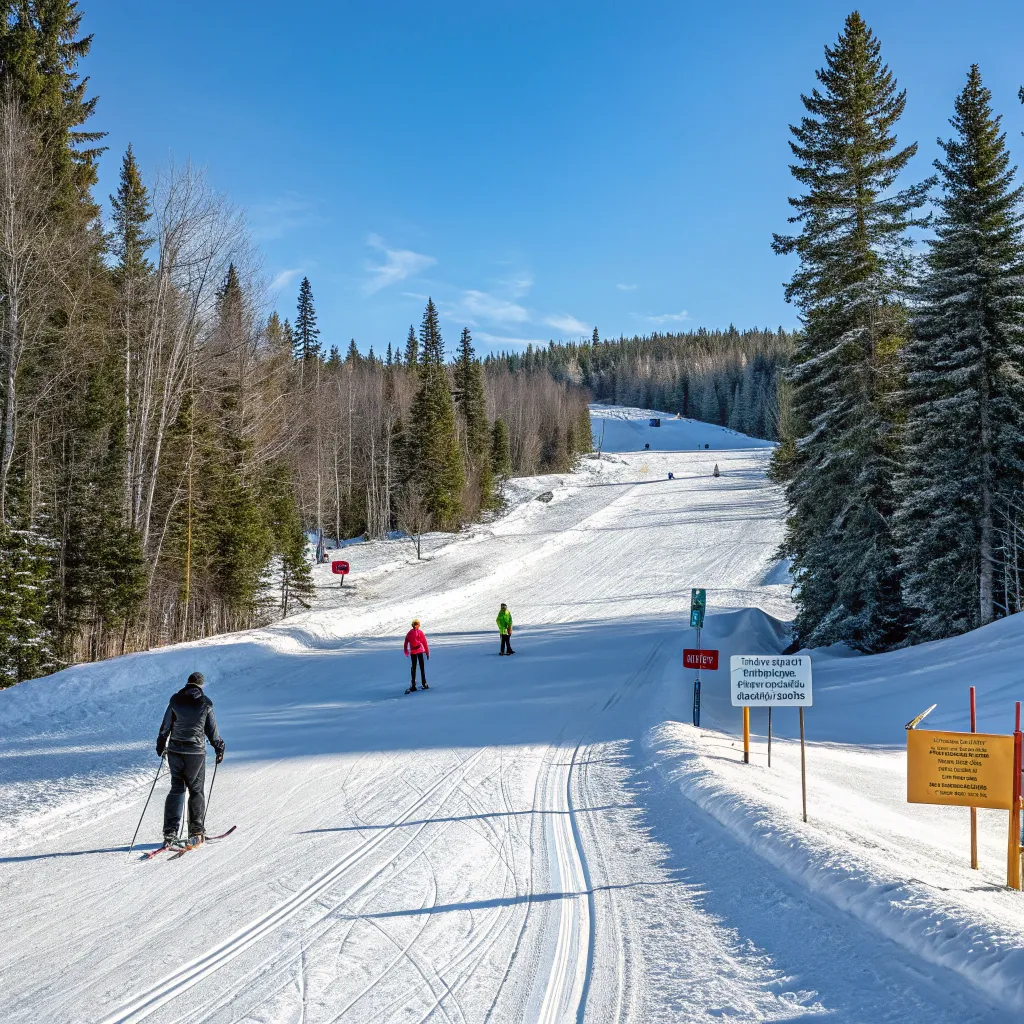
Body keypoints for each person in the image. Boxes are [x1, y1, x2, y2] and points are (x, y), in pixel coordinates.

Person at [156, 671, 225, 848]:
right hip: (195, 753)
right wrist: (219, 748)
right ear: (201, 686)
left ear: (187, 683)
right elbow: (212, 730)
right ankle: (196, 831)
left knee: (177, 788)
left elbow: (166, 726)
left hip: (175, 752)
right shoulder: (205, 703)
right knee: (196, 790)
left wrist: (161, 743)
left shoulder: (175, 700)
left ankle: (170, 833)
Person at [404, 619, 430, 691]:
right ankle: (413, 685)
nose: (415, 626)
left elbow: (424, 643)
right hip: (413, 652)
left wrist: (427, 652)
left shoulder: (420, 633)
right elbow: (406, 643)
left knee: (422, 667)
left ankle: (424, 683)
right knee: (414, 668)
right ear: (412, 625)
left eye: (417, 624)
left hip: (420, 651)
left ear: (418, 625)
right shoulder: (410, 633)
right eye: (414, 624)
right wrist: (406, 651)